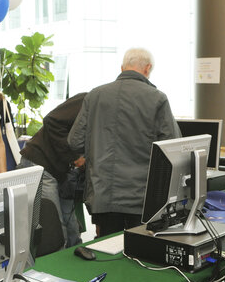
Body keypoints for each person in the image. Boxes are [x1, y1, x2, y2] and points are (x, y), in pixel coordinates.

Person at [68, 47, 180, 237]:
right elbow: (173, 147)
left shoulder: (95, 95)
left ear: (122, 68)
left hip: (103, 194)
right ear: (148, 68)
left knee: (106, 250)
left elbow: (75, 141)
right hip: (142, 197)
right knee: (139, 252)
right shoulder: (157, 99)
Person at [19, 93, 87, 247]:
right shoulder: (87, 100)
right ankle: (57, 266)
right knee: (54, 224)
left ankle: (76, 256)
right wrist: (75, 156)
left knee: (71, 225)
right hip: (40, 162)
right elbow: (51, 120)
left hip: (62, 170)